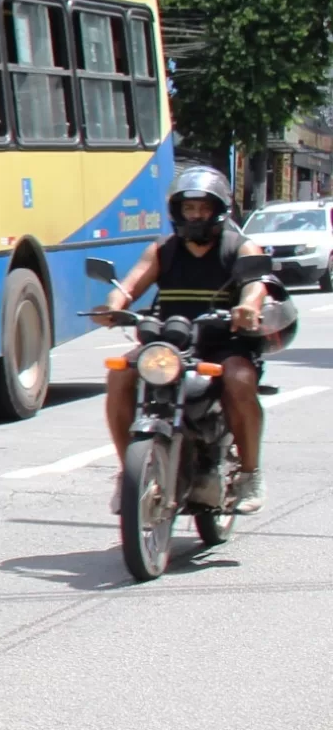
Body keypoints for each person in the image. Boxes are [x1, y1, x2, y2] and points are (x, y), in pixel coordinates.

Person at [92, 164, 274, 513]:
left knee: (238, 379)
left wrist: (248, 307)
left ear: (219, 210)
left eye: (203, 208)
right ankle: (127, 471)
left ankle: (251, 473)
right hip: (170, 338)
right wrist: (113, 307)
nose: (195, 215)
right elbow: (129, 286)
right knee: (119, 374)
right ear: (177, 211)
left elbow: (255, 286)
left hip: (223, 340)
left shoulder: (240, 248)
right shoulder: (163, 250)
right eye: (188, 208)